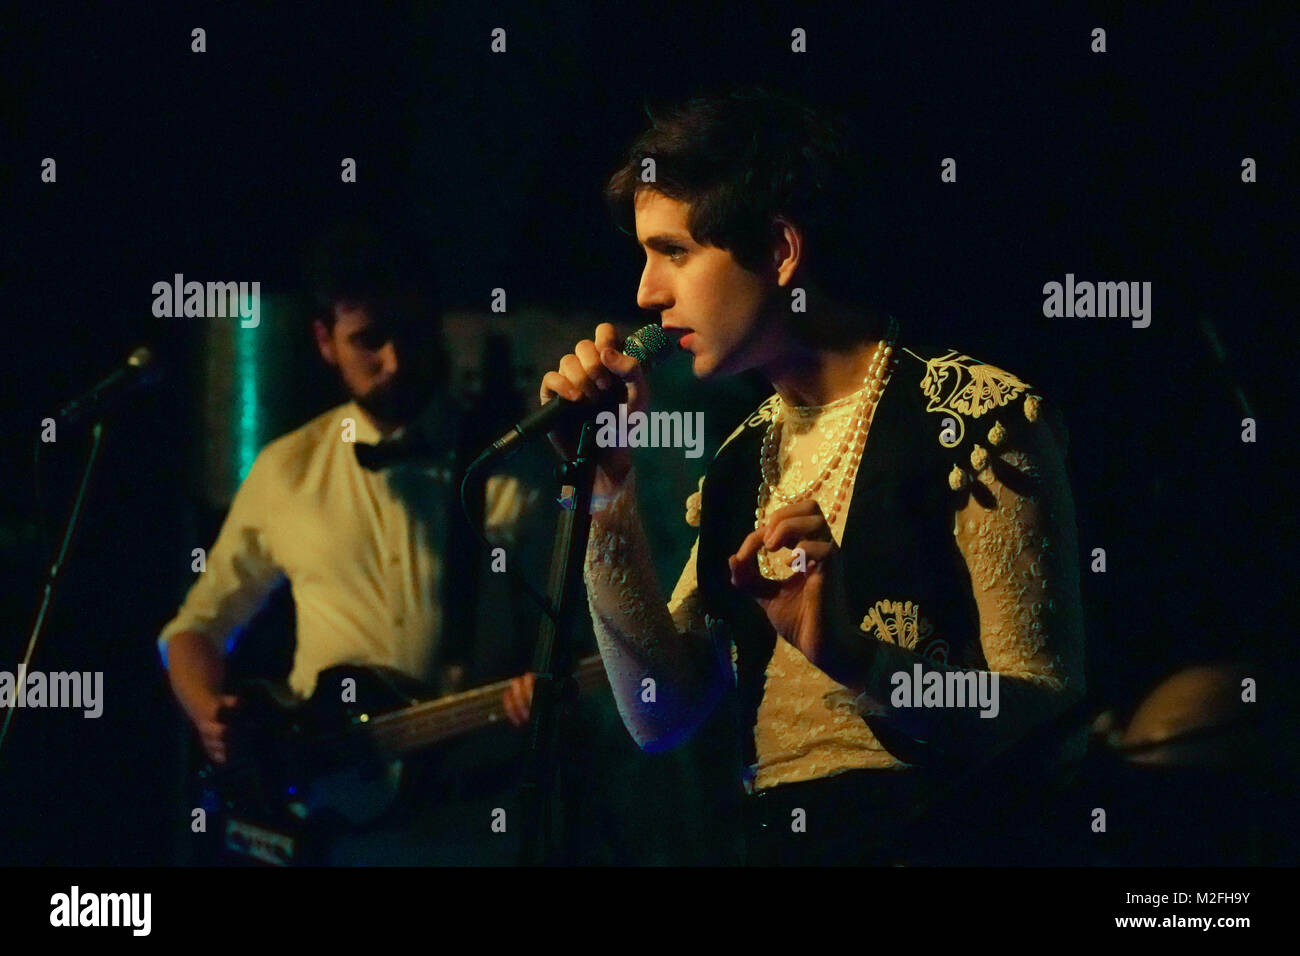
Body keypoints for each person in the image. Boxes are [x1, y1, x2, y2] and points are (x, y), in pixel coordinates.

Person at [535, 88, 1088, 865]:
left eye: (675, 252)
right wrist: (605, 488)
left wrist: (860, 662)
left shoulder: (974, 417)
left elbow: (1044, 705)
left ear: (779, 250)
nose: (644, 293)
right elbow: (660, 716)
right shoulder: (739, 459)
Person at [157, 219, 536, 864]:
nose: (395, 360)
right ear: (324, 342)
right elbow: (193, 628)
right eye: (369, 340)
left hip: (474, 825)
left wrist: (542, 691)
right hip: (333, 829)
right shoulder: (287, 469)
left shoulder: (517, 462)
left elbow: (584, 638)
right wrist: (211, 716)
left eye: (412, 332)